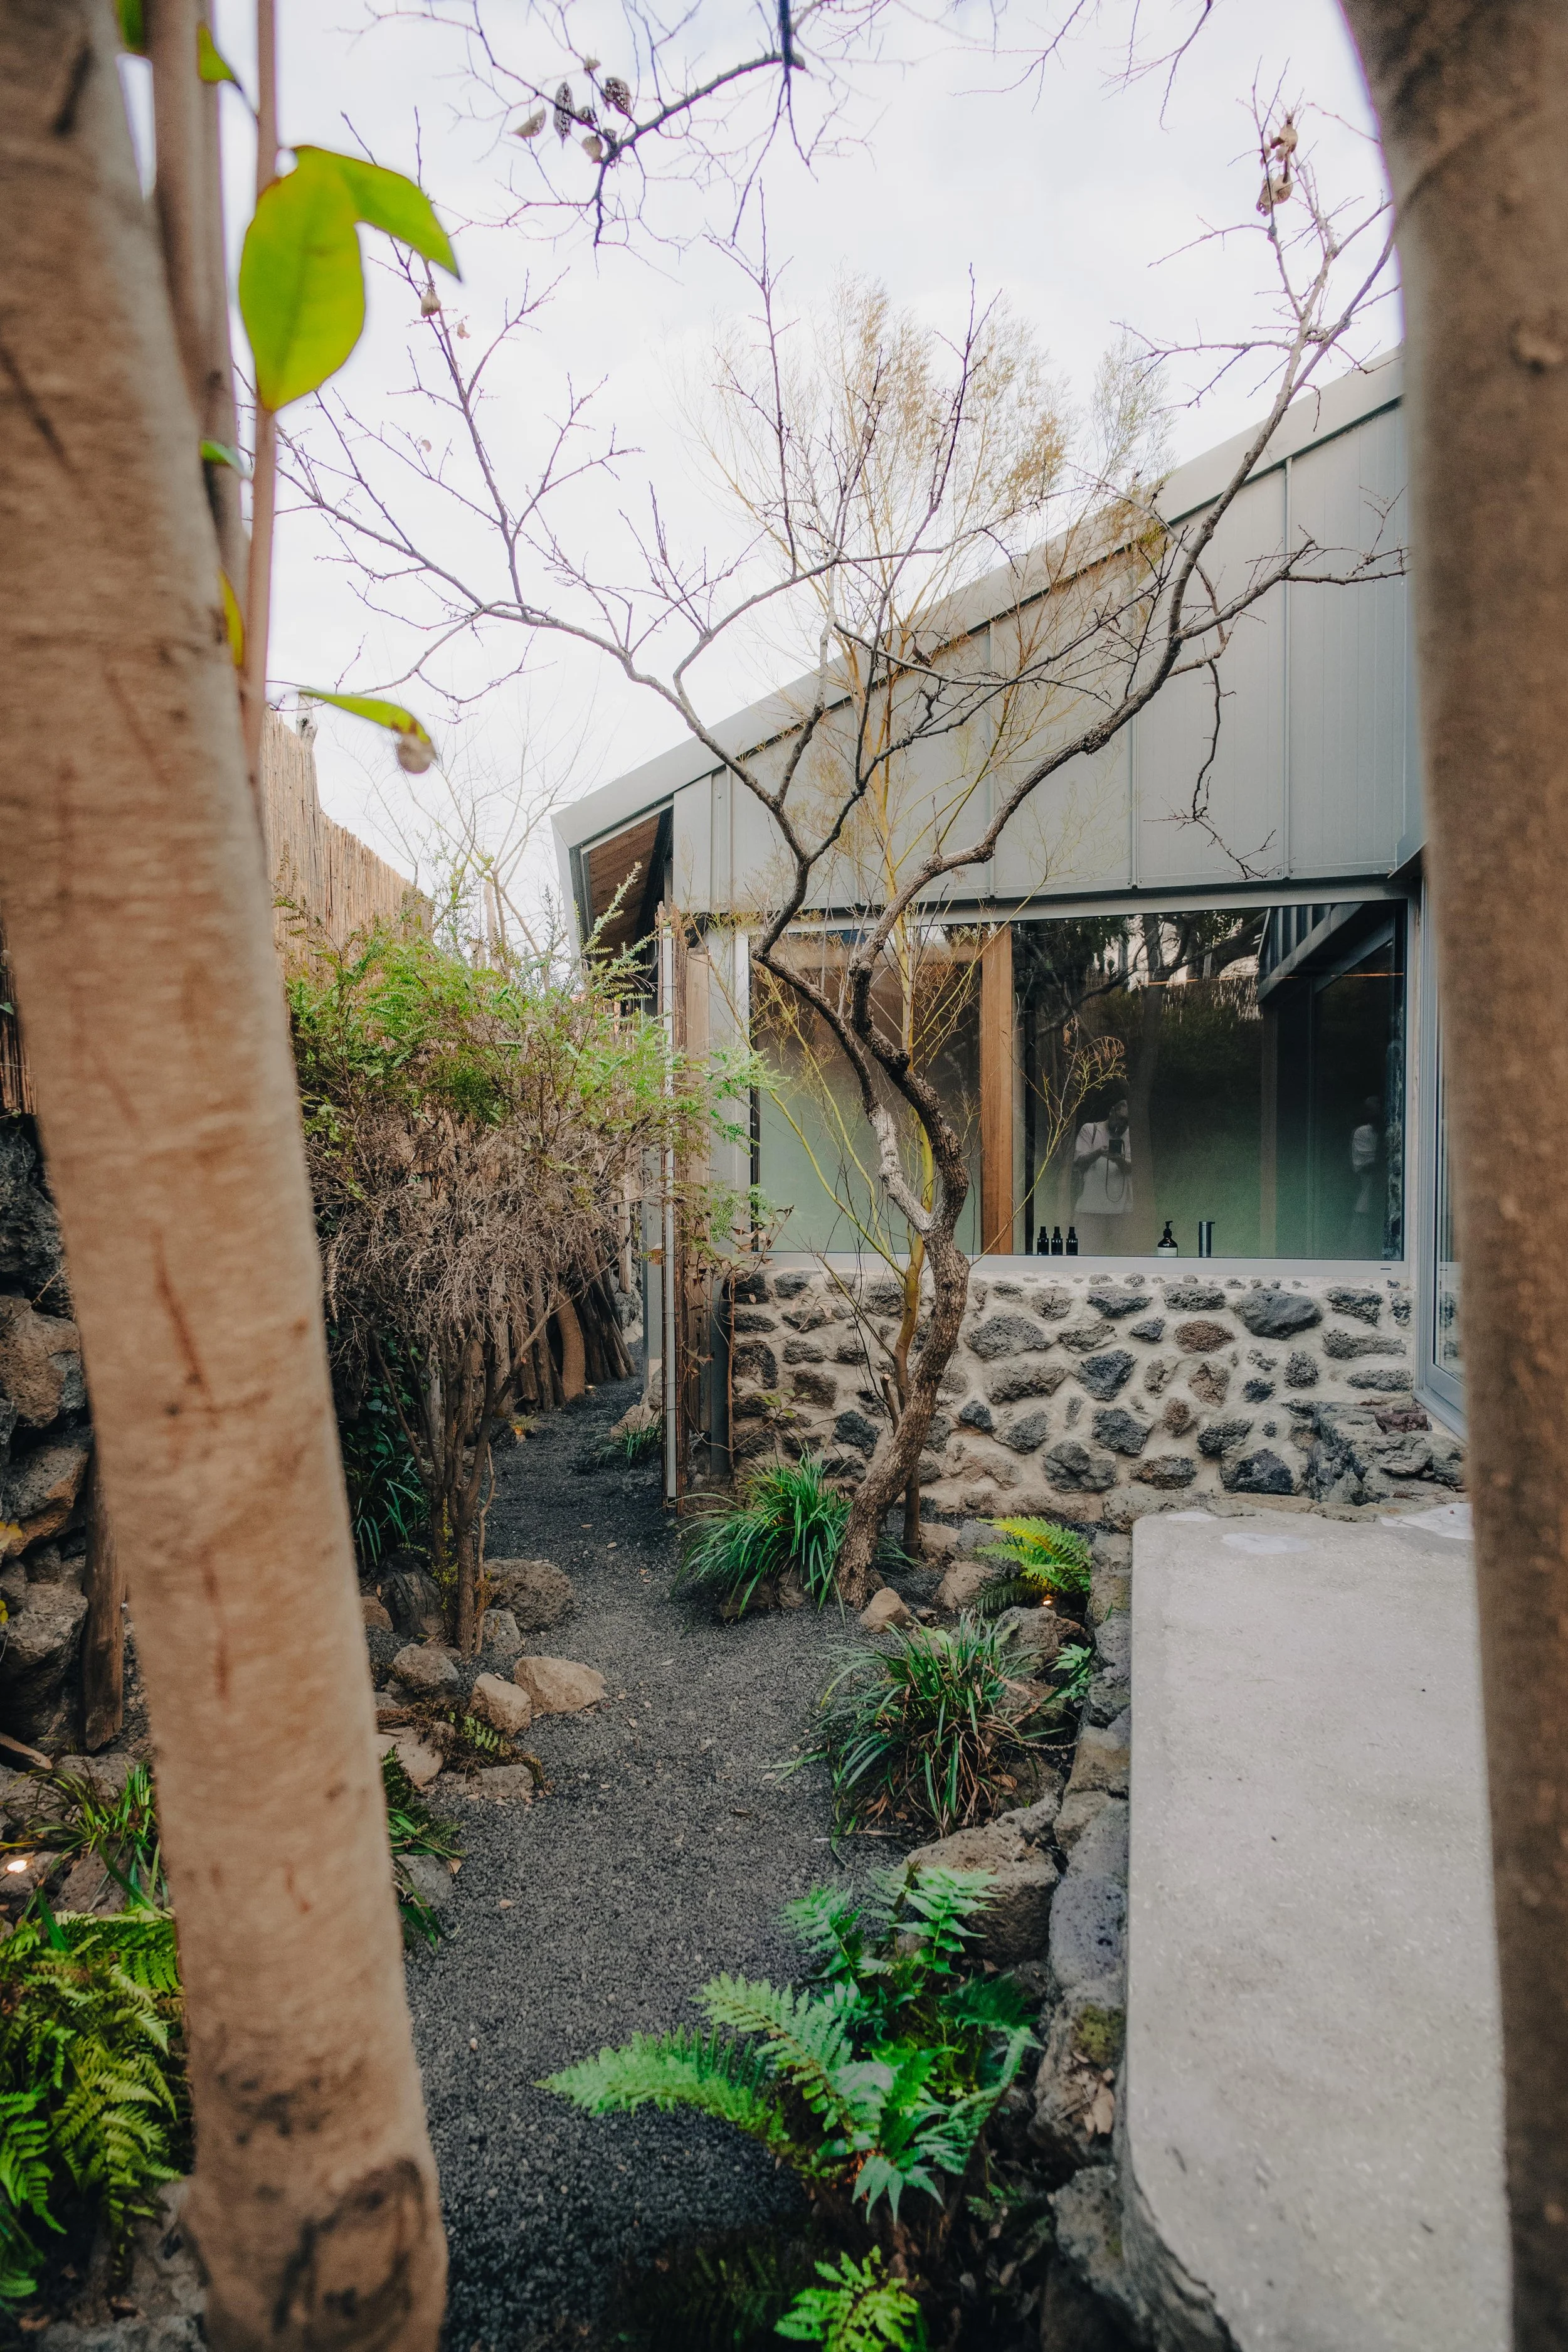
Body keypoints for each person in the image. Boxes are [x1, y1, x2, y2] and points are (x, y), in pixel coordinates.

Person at [1073, 1097, 1134, 1254]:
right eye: (1120, 1118)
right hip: (1090, 1209)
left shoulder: (1130, 1135)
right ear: (1111, 1112)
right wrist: (1098, 1153)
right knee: (1088, 1256)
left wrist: (1118, 1160)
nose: (1122, 1124)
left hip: (1121, 1211)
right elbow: (1079, 1163)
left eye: (1126, 1121)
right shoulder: (1091, 1130)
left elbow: (1133, 1168)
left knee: (1121, 1258)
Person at [1348, 1094, 1382, 1257]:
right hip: (1366, 1205)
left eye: (1377, 1109)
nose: (1374, 1113)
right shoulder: (1363, 1133)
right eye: (1370, 1110)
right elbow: (1364, 1167)